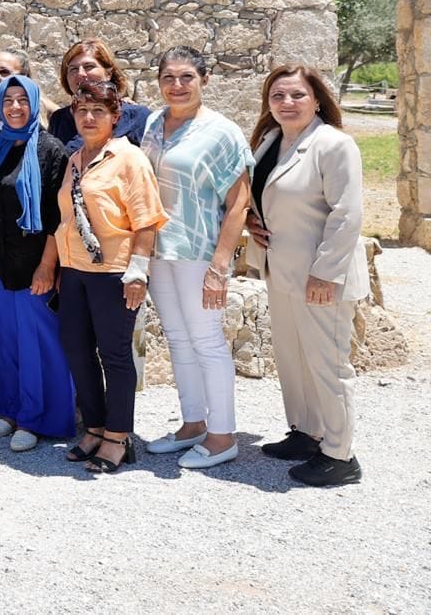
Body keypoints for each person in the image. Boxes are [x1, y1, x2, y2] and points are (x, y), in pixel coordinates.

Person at [245, 64, 368, 487]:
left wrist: (325, 273)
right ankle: (307, 431)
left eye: (297, 95)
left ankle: (339, 455)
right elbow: (260, 195)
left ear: (316, 99)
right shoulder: (270, 142)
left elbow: (347, 213)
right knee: (293, 359)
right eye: (278, 96)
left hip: (321, 277)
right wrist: (250, 221)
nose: (287, 103)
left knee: (327, 365)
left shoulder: (334, 145)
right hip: (280, 270)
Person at [139, 47, 252, 470]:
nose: (177, 85)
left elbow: (239, 202)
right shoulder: (153, 123)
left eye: (187, 76)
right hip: (159, 250)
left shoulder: (222, 132)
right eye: (169, 77)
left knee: (207, 341)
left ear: (203, 79)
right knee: (177, 338)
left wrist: (220, 266)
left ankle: (223, 437)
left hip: (199, 251)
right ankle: (193, 425)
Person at [53, 81, 167, 473]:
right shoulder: (74, 160)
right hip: (74, 269)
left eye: (98, 111)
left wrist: (138, 271)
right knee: (76, 350)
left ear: (115, 117)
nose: (88, 118)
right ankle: (95, 426)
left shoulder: (129, 159)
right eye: (82, 110)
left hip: (113, 271)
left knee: (115, 355)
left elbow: (147, 219)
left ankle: (118, 437)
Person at [0, 73, 74, 453]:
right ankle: (10, 410)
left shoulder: (50, 150)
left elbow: (56, 218)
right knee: (4, 340)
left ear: (34, 103)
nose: (15, 107)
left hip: (35, 263)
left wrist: (47, 267)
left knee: (38, 342)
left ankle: (37, 418)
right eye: (8, 100)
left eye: (22, 100)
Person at [47, 40, 150, 150]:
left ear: (108, 73)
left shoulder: (137, 117)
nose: (80, 73)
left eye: (89, 67)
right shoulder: (59, 119)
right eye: (73, 69)